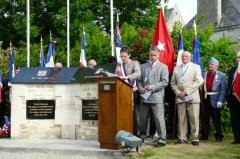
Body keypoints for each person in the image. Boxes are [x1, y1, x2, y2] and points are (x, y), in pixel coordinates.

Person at [170, 51, 204, 146]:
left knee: (194, 118)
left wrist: (186, 91)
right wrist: (178, 92)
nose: (184, 57)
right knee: (181, 118)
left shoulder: (196, 67)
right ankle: (182, 137)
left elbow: (199, 81)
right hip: (180, 97)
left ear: (190, 57)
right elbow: (172, 83)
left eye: (186, 56)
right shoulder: (176, 68)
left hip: (192, 96)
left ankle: (195, 138)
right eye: (183, 56)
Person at [138, 46, 169, 147]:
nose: (152, 57)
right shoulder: (143, 66)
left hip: (156, 97)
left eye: (155, 55)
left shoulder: (163, 67)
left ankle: (162, 139)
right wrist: (140, 88)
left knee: (159, 119)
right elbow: (138, 81)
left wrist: (151, 87)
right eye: (151, 55)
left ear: (158, 55)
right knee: (142, 118)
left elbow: (165, 82)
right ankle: (142, 135)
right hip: (144, 96)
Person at [115, 47, 141, 136]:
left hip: (133, 91)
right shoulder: (119, 65)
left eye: (124, 56)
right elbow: (116, 77)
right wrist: (117, 73)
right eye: (121, 56)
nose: (123, 58)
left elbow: (138, 73)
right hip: (123, 92)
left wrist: (127, 77)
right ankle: (126, 131)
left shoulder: (135, 63)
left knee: (135, 114)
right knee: (124, 113)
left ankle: (137, 133)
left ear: (129, 55)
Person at [202, 57, 227, 142]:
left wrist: (220, 100)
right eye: (209, 64)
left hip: (216, 100)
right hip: (206, 99)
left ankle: (219, 135)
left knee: (216, 119)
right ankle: (205, 135)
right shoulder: (205, 74)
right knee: (205, 118)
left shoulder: (222, 75)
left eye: (212, 64)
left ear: (217, 66)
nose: (210, 66)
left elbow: (223, 90)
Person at [227, 51, 240, 144]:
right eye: (237, 57)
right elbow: (229, 84)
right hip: (233, 98)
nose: (238, 59)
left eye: (239, 57)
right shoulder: (232, 70)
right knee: (234, 119)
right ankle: (237, 138)